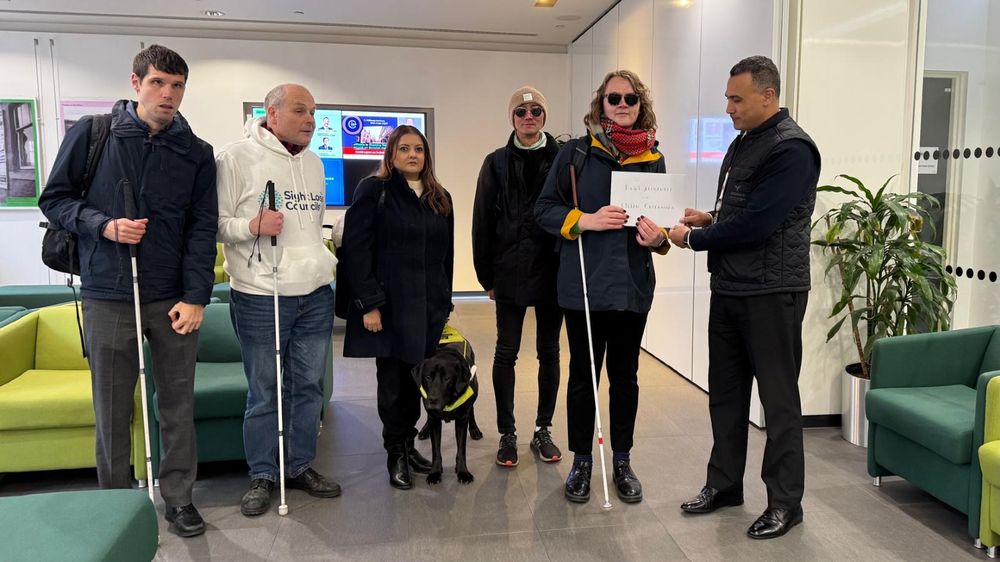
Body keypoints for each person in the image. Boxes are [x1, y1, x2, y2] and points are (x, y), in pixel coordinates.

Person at [38, 44, 217, 538]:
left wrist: (197, 295)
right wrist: (103, 225)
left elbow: (203, 228)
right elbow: (54, 200)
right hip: (107, 293)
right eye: (159, 82)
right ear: (135, 83)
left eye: (177, 86)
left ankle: (179, 499)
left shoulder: (197, 153)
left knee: (178, 404)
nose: (169, 94)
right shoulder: (93, 134)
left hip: (173, 298)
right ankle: (115, 503)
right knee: (113, 407)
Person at [667, 55, 820, 540]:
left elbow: (759, 223)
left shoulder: (792, 149)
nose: (728, 107)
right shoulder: (744, 143)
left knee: (778, 404)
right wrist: (709, 220)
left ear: (767, 96)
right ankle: (725, 485)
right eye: (728, 98)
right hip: (731, 288)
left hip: (773, 294)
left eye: (737, 98)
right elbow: (740, 212)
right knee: (726, 397)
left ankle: (785, 503)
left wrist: (690, 240)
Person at [535, 70, 670, 504]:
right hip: (584, 287)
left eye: (631, 98)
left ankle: (623, 460)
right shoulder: (575, 153)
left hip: (632, 287)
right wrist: (585, 221)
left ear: (640, 103)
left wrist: (661, 238)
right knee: (583, 377)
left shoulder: (652, 156)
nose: (623, 104)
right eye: (614, 98)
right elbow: (544, 209)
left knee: (626, 378)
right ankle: (581, 461)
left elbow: (661, 227)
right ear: (602, 103)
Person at [216, 83, 341, 517]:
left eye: (314, 112)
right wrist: (252, 225)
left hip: (315, 294)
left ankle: (300, 464)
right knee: (265, 390)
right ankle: (263, 473)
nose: (311, 120)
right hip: (259, 294)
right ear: (272, 113)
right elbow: (216, 224)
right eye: (301, 111)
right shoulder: (235, 157)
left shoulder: (313, 161)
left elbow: (312, 226)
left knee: (308, 386)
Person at [340, 125, 452, 490]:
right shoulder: (375, 191)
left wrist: (444, 302)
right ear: (390, 154)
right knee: (392, 384)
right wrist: (369, 305)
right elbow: (356, 251)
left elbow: (445, 257)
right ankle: (395, 452)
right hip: (388, 307)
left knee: (417, 380)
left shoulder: (440, 197)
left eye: (418, 149)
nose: (412, 155)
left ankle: (408, 444)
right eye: (404, 149)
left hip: (427, 308)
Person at [472, 86, 563, 468]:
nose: (529, 116)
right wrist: (485, 275)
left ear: (544, 116)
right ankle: (507, 433)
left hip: (554, 272)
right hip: (509, 271)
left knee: (550, 352)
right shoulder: (495, 162)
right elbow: (482, 221)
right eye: (521, 111)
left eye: (536, 110)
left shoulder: (564, 159)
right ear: (512, 118)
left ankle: (543, 429)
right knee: (505, 352)